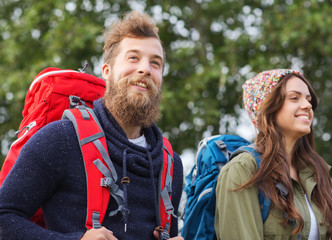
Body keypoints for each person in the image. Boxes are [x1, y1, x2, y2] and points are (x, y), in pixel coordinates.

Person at [0, 11, 184, 240]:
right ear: (107, 71)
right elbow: (4, 218)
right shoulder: (61, 140)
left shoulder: (170, 164)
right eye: (133, 58)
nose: (145, 69)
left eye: (155, 63)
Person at [214, 69, 332, 239]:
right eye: (294, 98)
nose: (307, 106)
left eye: (309, 99)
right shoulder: (243, 170)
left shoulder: (316, 173)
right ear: (268, 108)